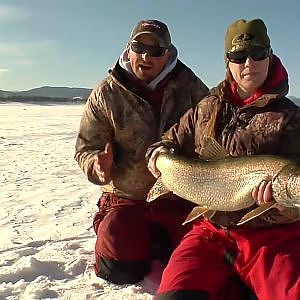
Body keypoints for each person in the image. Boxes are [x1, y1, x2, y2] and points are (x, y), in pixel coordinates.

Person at [147, 18, 300, 299]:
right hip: (210, 231)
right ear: (228, 61)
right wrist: (158, 158)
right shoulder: (206, 107)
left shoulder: (292, 118)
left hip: (272, 238)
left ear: (270, 55)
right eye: (239, 56)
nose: (249, 63)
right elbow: (165, 143)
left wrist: (283, 208)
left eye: (258, 54)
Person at [74, 19, 209, 284]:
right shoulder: (107, 93)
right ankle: (132, 235)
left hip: (179, 197)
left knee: (201, 257)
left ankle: (159, 238)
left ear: (168, 54)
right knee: (118, 268)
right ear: (129, 48)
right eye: (139, 47)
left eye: (156, 50)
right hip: (127, 199)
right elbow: (86, 148)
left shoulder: (192, 87)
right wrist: (98, 165)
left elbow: (213, 130)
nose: (146, 56)